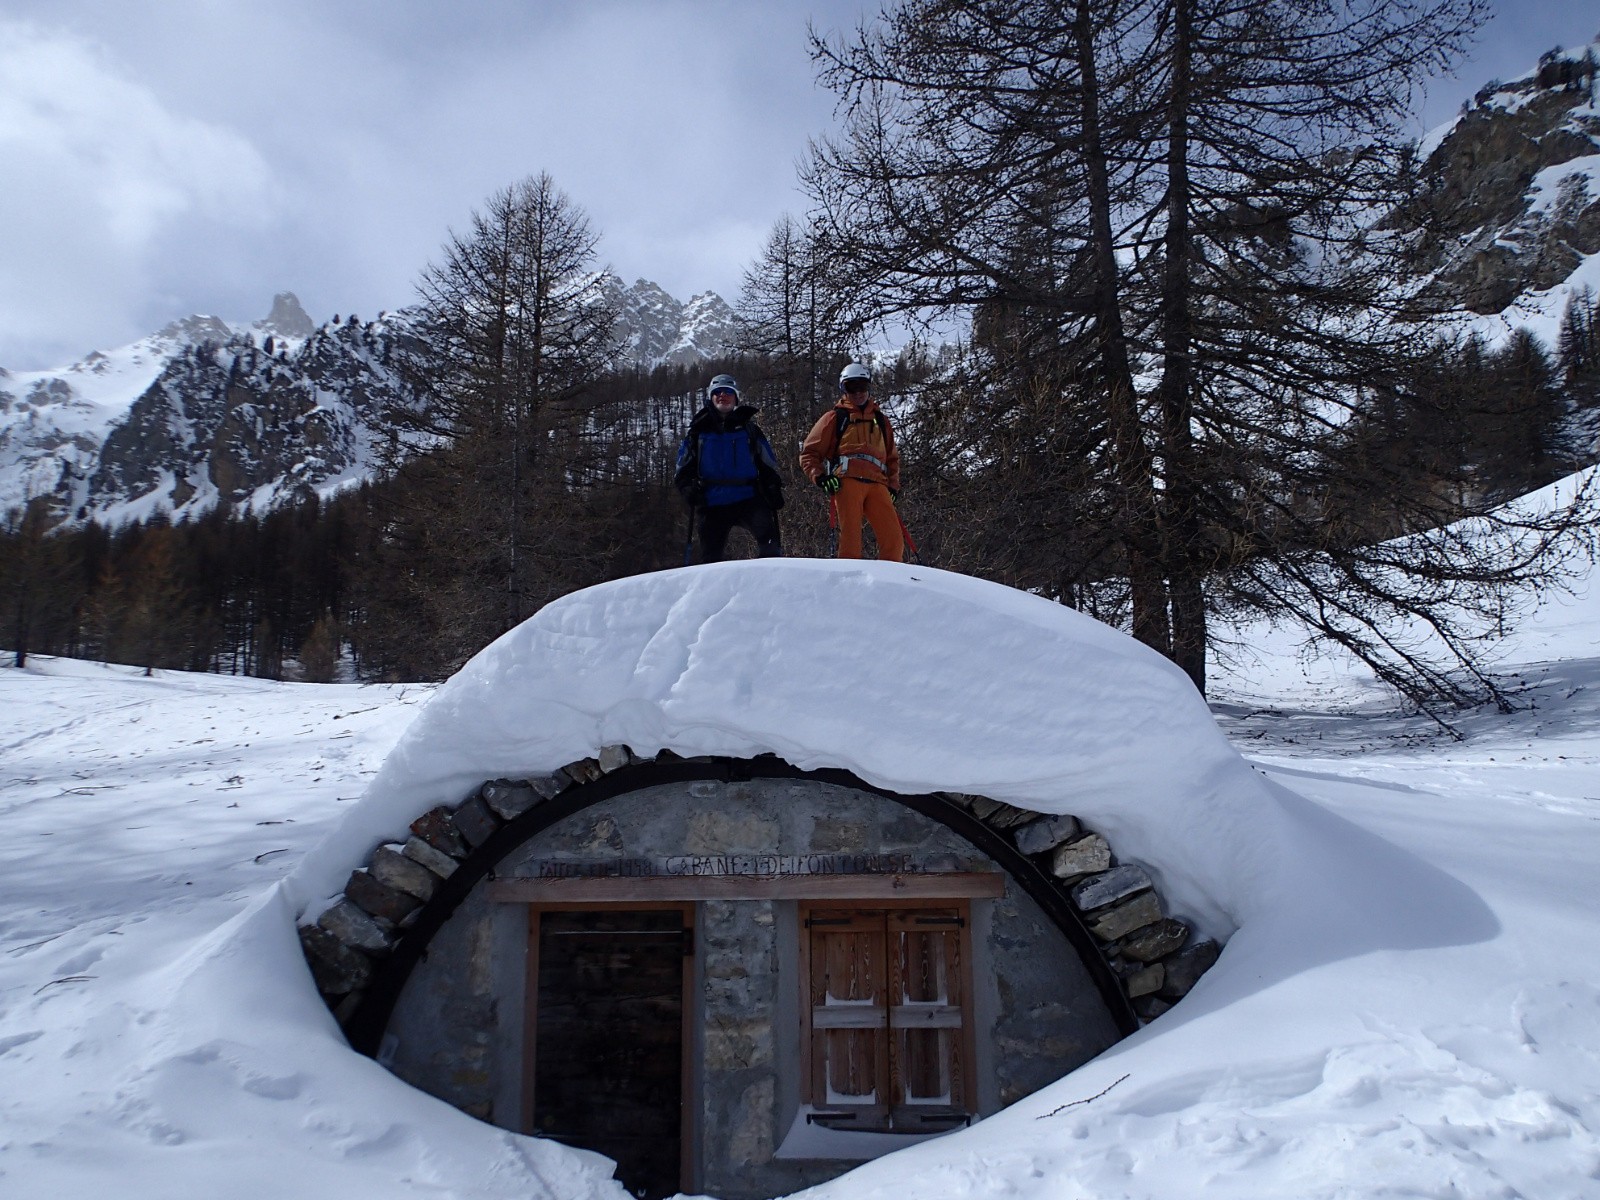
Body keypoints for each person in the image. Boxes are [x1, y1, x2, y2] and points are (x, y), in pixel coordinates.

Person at [674, 373, 784, 563]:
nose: (722, 396)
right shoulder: (698, 431)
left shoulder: (750, 430)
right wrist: (687, 489)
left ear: (736, 398)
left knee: (770, 544)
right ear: (710, 397)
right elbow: (683, 470)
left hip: (748, 497)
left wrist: (773, 487)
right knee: (710, 558)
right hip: (712, 501)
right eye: (717, 392)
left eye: (728, 392)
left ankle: (767, 579)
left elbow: (767, 465)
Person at [800, 362, 904, 561]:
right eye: (851, 387)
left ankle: (890, 578)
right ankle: (848, 578)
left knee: (893, 540)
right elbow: (809, 453)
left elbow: (892, 457)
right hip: (847, 481)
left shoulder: (881, 420)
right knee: (850, 540)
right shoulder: (835, 417)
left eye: (862, 386)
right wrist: (820, 477)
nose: (858, 393)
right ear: (843, 389)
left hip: (877, 483)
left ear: (869, 387)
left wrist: (893, 485)